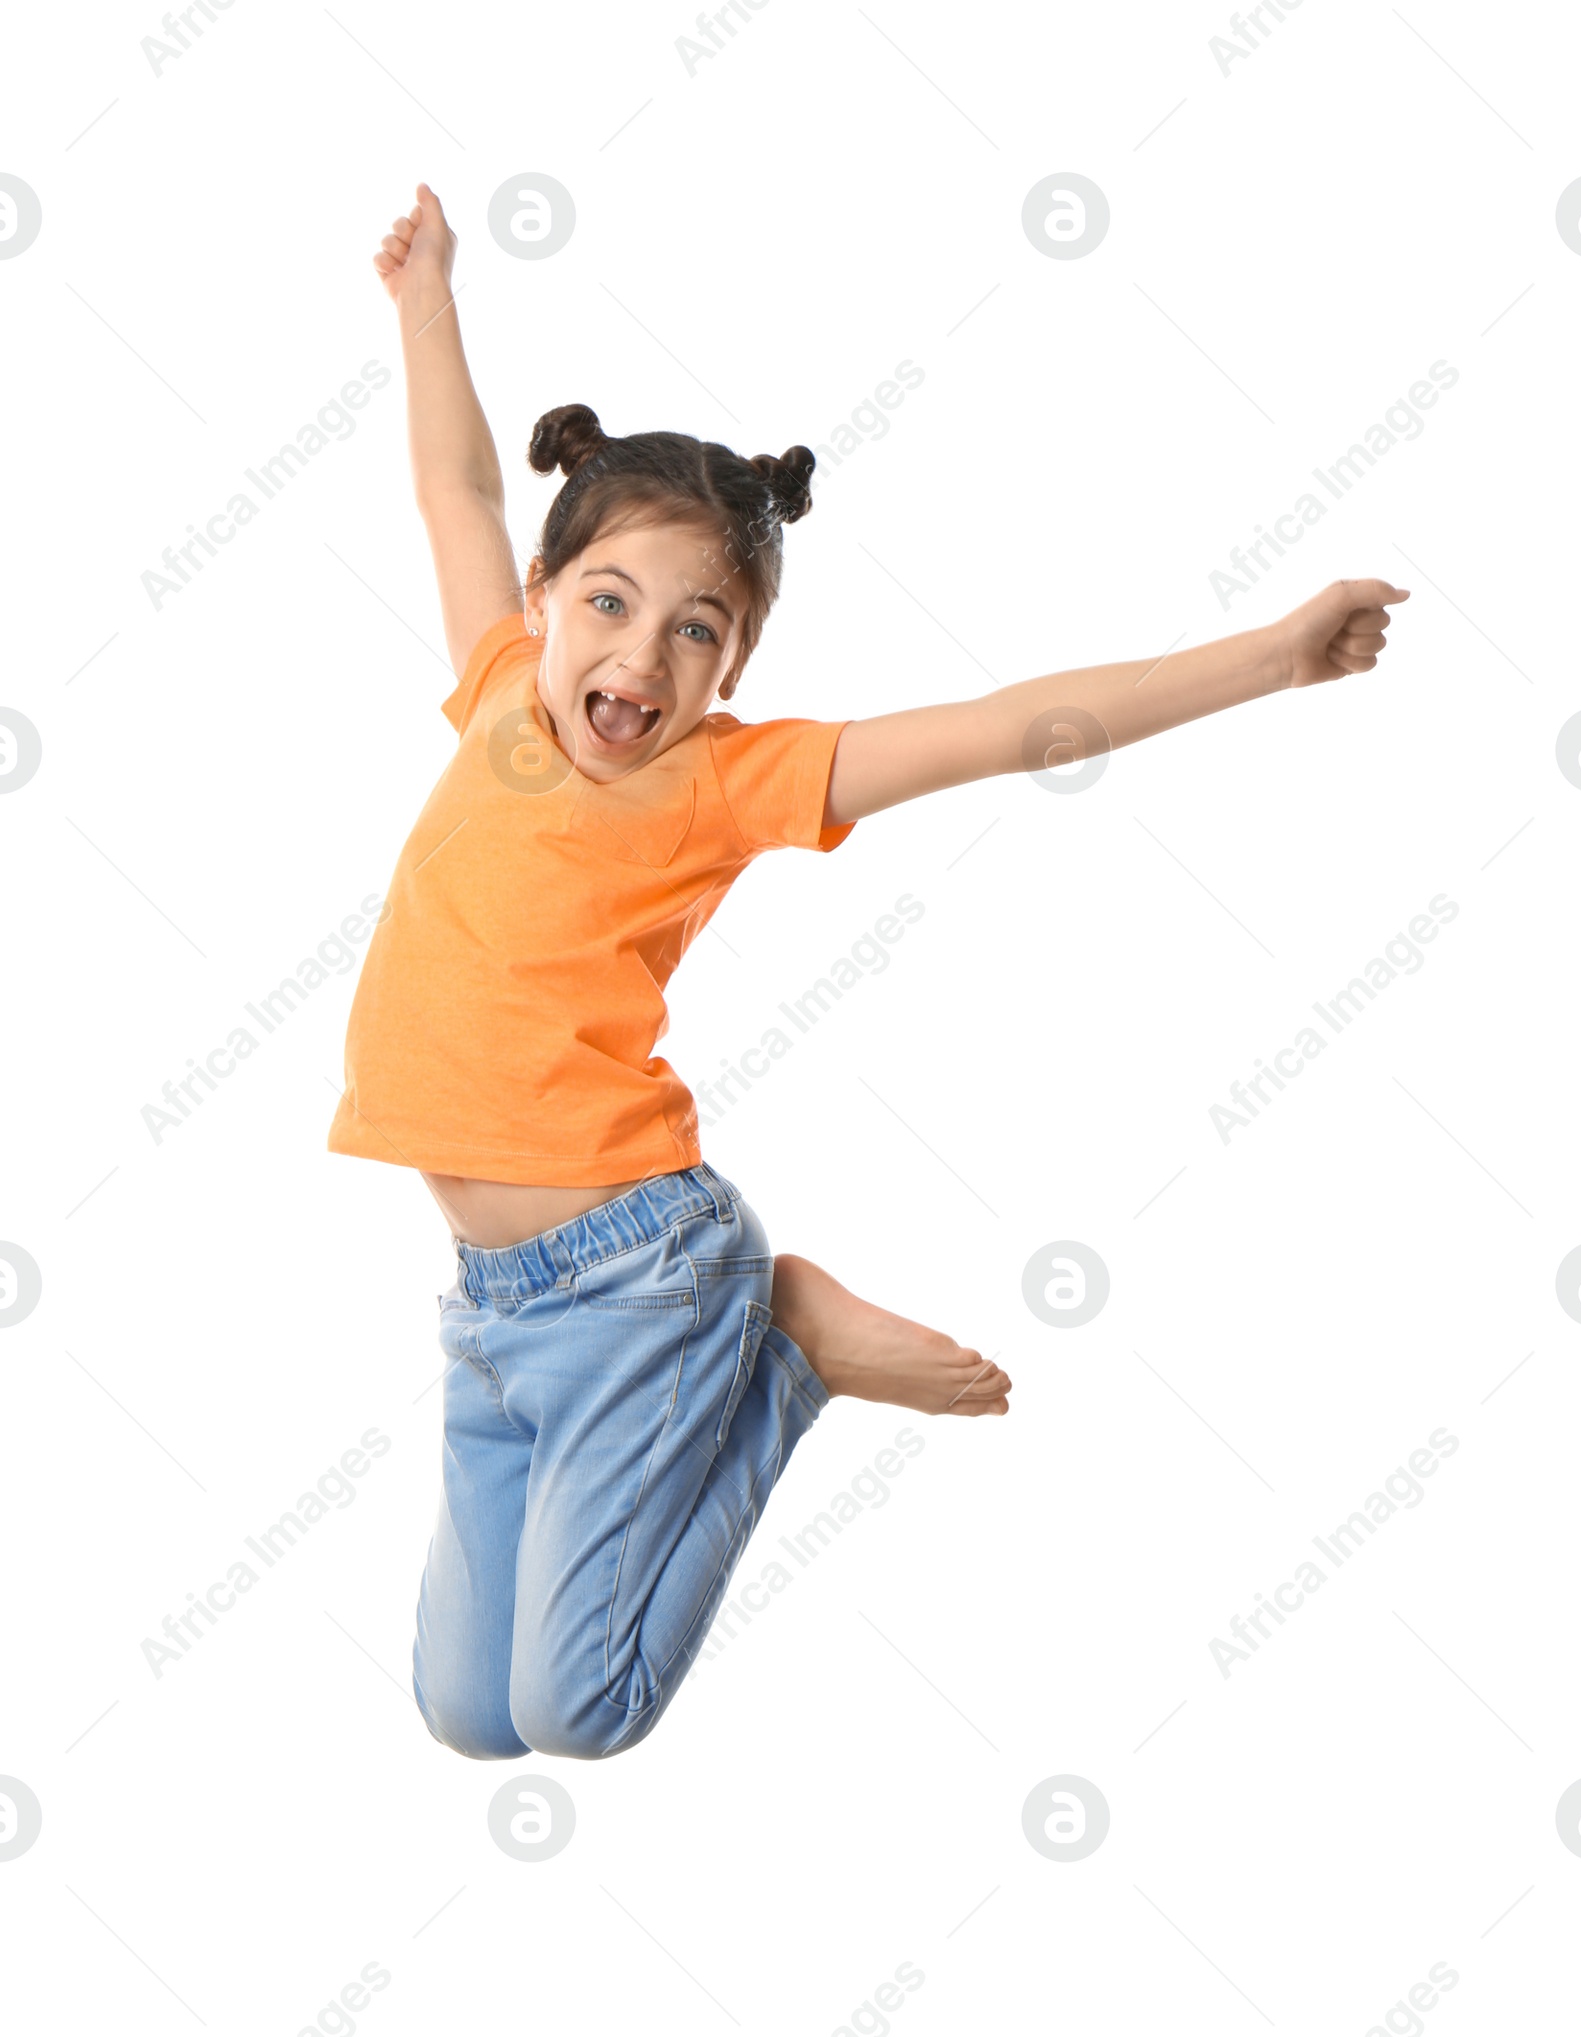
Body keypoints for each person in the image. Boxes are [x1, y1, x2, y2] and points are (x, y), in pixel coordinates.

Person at [328, 182, 1409, 1761]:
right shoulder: (497, 681)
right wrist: (428, 294)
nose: (643, 659)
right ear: (549, 600)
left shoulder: (725, 779)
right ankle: (740, 1361)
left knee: (582, 1710)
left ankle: (784, 1355)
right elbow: (456, 486)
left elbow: (1008, 727)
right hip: (496, 1308)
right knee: (463, 1714)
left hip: (645, 1274)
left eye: (702, 634)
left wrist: (1270, 656)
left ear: (738, 671)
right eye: (612, 604)